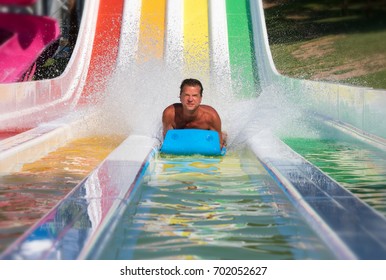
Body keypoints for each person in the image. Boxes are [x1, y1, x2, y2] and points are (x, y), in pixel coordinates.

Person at [162, 78, 227, 148]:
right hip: (182, 140)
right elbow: (168, 142)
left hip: (205, 139)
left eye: (195, 95)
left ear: (200, 99)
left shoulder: (211, 116)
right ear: (180, 97)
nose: (190, 99)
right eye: (186, 95)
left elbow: (219, 145)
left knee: (223, 137)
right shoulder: (170, 114)